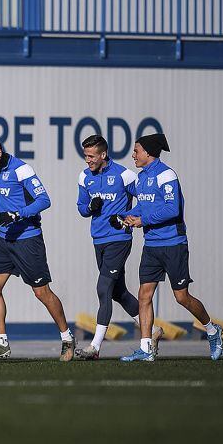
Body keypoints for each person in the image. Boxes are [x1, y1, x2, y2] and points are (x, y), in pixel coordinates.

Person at [118, 134, 223, 362]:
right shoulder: (142, 177)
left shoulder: (166, 174)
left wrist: (142, 220)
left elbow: (171, 209)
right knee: (144, 295)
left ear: (148, 152)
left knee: (182, 297)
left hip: (173, 244)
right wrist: (125, 216)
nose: (133, 155)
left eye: (136, 150)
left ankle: (213, 330)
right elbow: (143, 205)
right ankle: (146, 349)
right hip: (151, 246)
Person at [0, 135, 74, 362]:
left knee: (41, 292)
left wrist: (16, 214)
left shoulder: (21, 169)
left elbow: (44, 200)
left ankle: (67, 338)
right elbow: (10, 201)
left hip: (28, 239)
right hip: (5, 239)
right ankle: (1, 343)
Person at [74, 135, 143, 360]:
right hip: (99, 239)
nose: (88, 160)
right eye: (86, 156)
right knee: (117, 292)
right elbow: (82, 208)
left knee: (103, 288)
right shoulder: (85, 177)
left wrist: (125, 216)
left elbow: (145, 201)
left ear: (103, 155)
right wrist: (89, 207)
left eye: (91, 156)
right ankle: (151, 330)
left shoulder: (124, 174)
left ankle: (94, 346)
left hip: (119, 239)